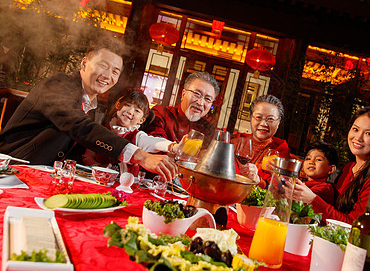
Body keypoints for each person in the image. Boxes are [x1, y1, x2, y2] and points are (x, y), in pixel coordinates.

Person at [0, 36, 177, 182]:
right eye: (102, 66)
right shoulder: (59, 85)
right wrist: (141, 156)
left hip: (44, 177)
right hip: (13, 171)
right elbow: (78, 126)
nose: (108, 76)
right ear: (84, 63)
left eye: (115, 71)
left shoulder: (90, 105)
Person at [291, 107, 370, 261]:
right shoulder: (348, 169)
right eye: (355, 129)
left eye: (368, 133)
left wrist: (313, 200)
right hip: (344, 240)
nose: (358, 138)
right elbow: (335, 212)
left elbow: (356, 227)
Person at [83, 90, 180, 176]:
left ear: (141, 120)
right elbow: (88, 156)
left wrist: (173, 146)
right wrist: (98, 168)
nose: (130, 111)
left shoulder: (136, 136)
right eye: (127, 105)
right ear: (118, 105)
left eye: (137, 110)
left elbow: (152, 142)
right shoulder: (102, 130)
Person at [145, 72, 220, 146]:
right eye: (197, 94)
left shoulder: (207, 129)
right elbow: (155, 145)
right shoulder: (161, 113)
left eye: (207, 99)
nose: (200, 103)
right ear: (183, 94)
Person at [231, 94, 289, 189]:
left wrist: (258, 180)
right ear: (251, 118)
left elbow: (282, 189)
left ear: (278, 123)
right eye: (258, 117)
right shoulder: (235, 141)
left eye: (270, 119)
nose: (263, 124)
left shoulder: (280, 150)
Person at [300, 140, 338, 205]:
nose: (311, 162)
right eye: (308, 159)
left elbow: (300, 197)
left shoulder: (325, 189)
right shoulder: (305, 183)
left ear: (331, 169)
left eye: (318, 159)